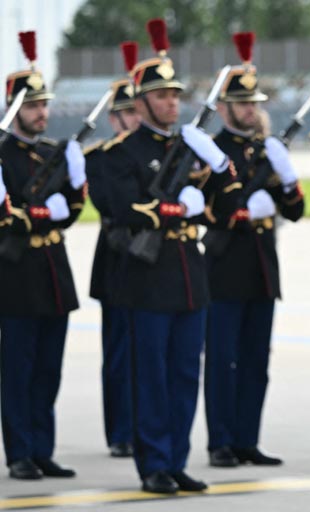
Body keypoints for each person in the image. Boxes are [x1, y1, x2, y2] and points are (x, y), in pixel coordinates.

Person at [102, 19, 237, 494]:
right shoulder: (121, 151)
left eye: (175, 96)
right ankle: (154, 463)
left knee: (184, 375)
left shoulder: (189, 146)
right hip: (147, 278)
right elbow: (122, 207)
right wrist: (177, 206)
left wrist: (220, 166)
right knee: (152, 378)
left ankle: (177, 459)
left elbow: (226, 208)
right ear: (140, 103)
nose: (171, 103)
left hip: (189, 276)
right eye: (161, 96)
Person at [202, 32, 303, 469]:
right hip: (224, 267)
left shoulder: (266, 150)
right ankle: (220, 441)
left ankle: (247, 439)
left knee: (256, 361)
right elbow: (207, 208)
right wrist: (241, 210)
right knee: (222, 360)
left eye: (254, 103)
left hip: (262, 268)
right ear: (223, 108)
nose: (250, 109)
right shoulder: (211, 150)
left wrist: (286, 179)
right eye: (242, 103)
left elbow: (296, 210)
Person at [0, 31, 86, 480]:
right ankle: (19, 452)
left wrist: (72, 196)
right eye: (32, 106)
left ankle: (42, 448)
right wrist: (36, 214)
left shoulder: (55, 153)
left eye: (44, 105)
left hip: (54, 275)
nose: (42, 113)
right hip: (16, 277)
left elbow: (71, 209)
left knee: (48, 369)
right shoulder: (2, 155)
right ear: (14, 108)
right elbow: (6, 216)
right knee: (18, 369)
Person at [85, 41, 141, 459]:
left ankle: (145, 424)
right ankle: (121, 431)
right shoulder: (101, 158)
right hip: (118, 258)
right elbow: (110, 204)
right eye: (128, 113)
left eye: (138, 111)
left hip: (154, 262)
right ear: (113, 118)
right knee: (120, 352)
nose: (134, 119)